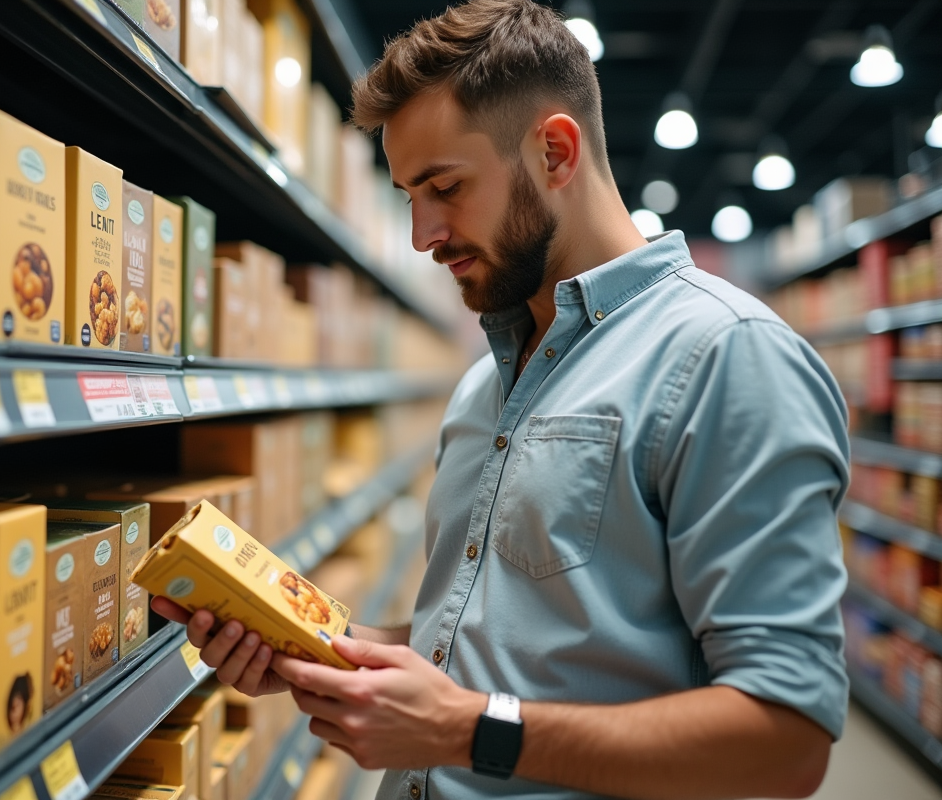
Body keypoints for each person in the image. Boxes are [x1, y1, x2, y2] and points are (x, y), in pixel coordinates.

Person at [153, 1, 849, 797]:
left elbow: (786, 738)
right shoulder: (487, 381)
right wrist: (329, 653)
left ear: (555, 151)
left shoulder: (728, 356)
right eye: (410, 194)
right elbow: (490, 650)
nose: (423, 235)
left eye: (445, 187)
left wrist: (463, 729)